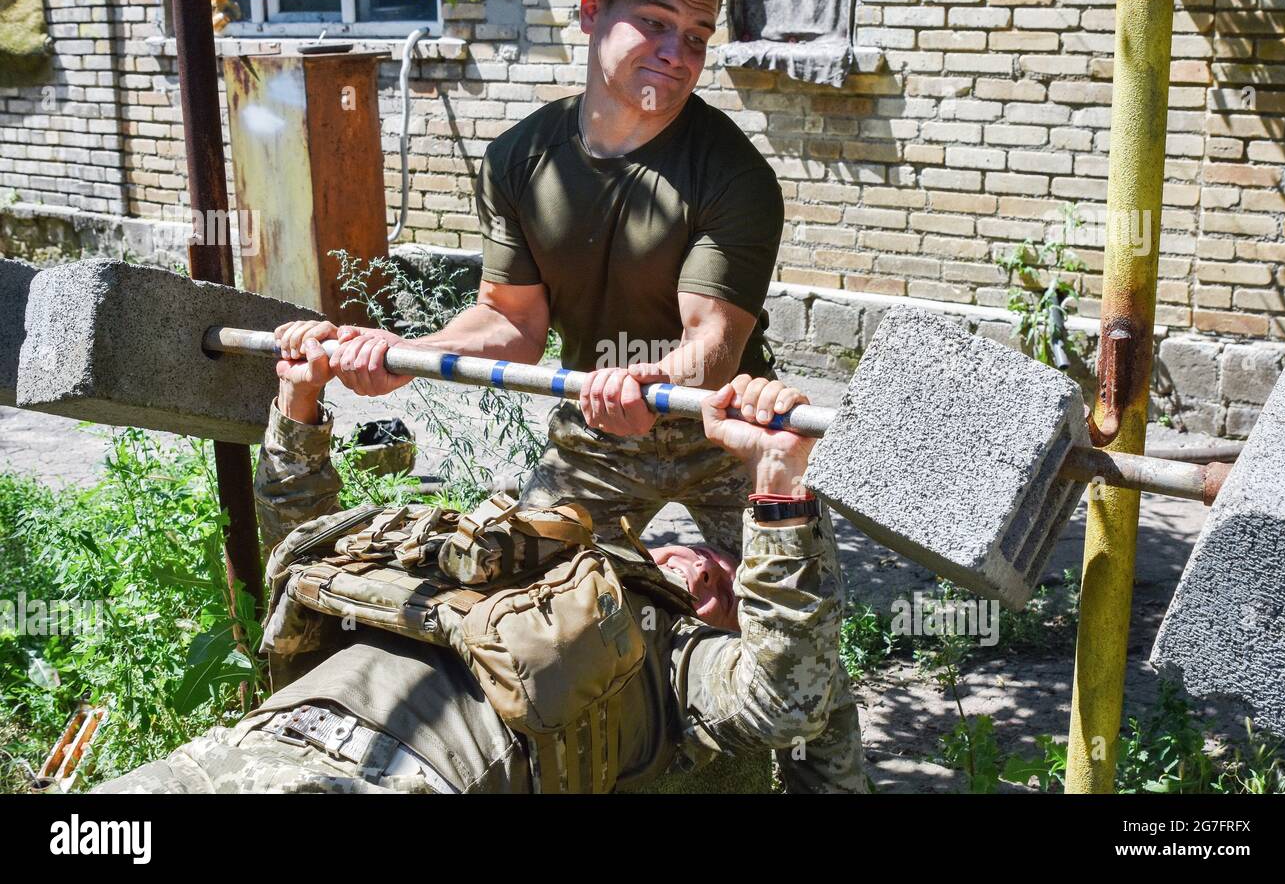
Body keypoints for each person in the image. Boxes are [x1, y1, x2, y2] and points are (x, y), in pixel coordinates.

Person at [93, 334, 865, 794]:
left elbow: (789, 699)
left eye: (729, 595)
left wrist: (778, 485)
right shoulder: (511, 551)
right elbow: (311, 552)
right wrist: (300, 397)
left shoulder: (674, 662)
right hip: (237, 752)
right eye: (722, 565)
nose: (713, 574)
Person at [278, 0, 788, 558]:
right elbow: (511, 321)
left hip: (725, 428)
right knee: (526, 602)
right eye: (654, 22)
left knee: (790, 625)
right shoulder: (517, 160)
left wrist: (648, 382)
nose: (675, 53)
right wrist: (405, 352)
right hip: (599, 425)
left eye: (696, 37)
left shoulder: (735, 174)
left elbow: (712, 344)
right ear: (591, 11)